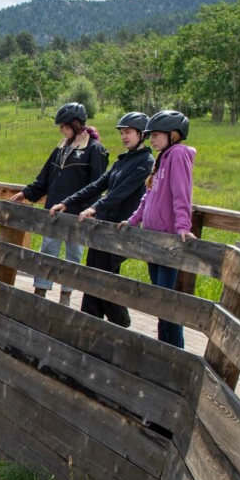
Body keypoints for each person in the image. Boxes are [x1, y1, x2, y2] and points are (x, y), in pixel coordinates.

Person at [49, 112, 153, 327]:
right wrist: (67, 202)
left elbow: (121, 193)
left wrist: (94, 208)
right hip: (104, 227)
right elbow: (98, 185)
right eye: (123, 133)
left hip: (121, 229)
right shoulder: (123, 160)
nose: (124, 137)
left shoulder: (145, 162)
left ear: (142, 134)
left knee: (105, 280)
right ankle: (90, 322)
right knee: (92, 275)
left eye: (129, 133)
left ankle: (120, 324)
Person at [10, 102, 109, 305]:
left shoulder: (95, 150)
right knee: (48, 249)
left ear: (75, 124)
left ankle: (66, 294)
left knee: (73, 253)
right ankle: (41, 290)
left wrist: (91, 209)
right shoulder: (61, 147)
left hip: (78, 214)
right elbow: (45, 178)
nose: (61, 130)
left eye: (64, 126)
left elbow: (98, 185)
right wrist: (26, 193)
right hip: (53, 210)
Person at [123, 110, 195, 348]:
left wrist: (183, 225)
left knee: (167, 301)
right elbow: (149, 196)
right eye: (150, 135)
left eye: (155, 135)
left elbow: (181, 192)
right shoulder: (162, 158)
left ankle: (175, 350)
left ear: (173, 134)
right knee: (159, 299)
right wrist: (133, 220)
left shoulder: (178, 154)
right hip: (153, 237)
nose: (151, 140)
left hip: (169, 240)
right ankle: (163, 346)